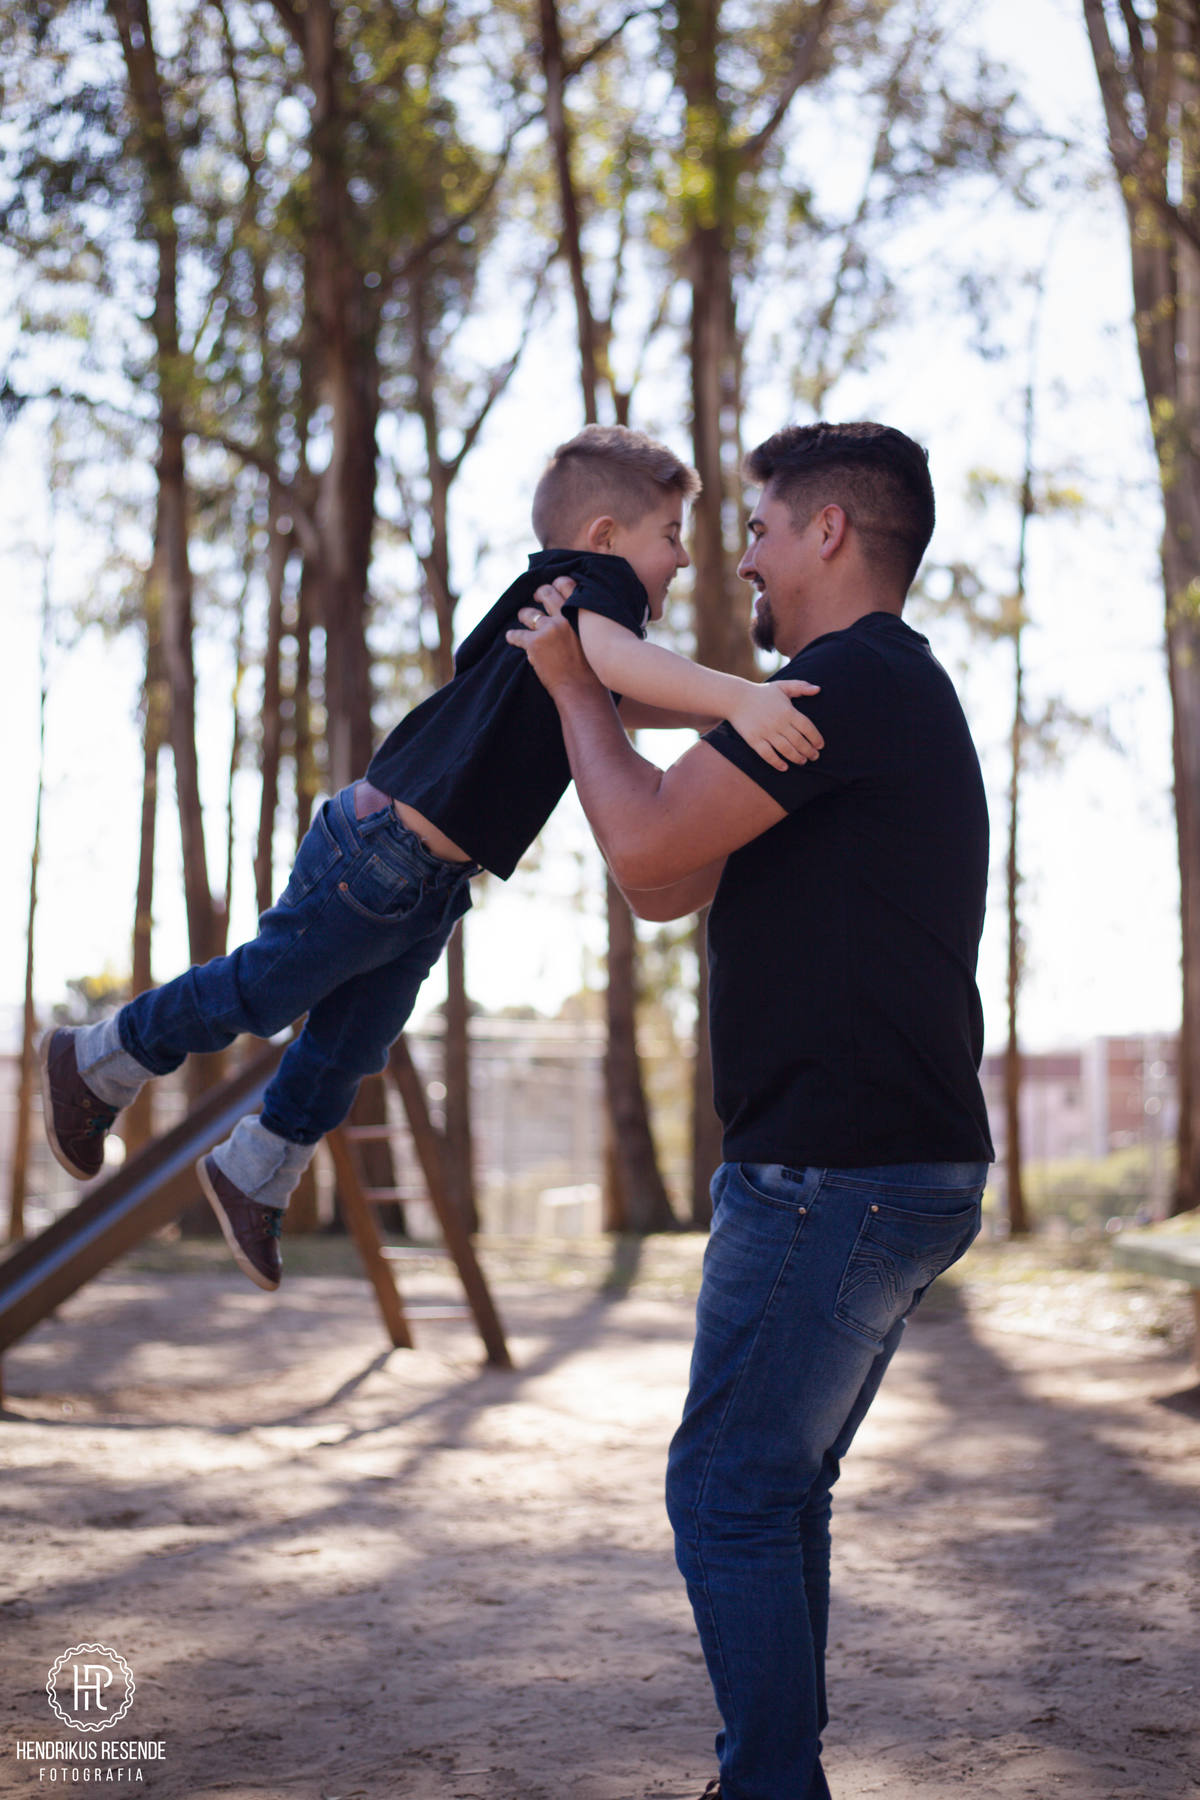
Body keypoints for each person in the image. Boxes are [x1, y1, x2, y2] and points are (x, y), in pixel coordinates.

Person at [39, 424, 824, 1293]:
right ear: (606, 537)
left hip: (425, 877)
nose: (681, 560)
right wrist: (742, 698)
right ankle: (98, 1055)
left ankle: (256, 1169)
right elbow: (616, 662)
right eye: (670, 536)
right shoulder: (589, 591)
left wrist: (711, 716)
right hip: (382, 853)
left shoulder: (564, 614)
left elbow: (610, 692)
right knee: (262, 989)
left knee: (351, 1044)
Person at [507, 420, 994, 1800]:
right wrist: (600, 704)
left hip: (834, 1169)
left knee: (724, 1491)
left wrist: (568, 684)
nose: (745, 555)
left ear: (830, 532)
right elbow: (661, 879)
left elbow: (649, 837)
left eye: (766, 525)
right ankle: (773, 1777)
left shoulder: (851, 683)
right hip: (875, 1165)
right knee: (772, 1492)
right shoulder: (837, 698)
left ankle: (771, 1786)